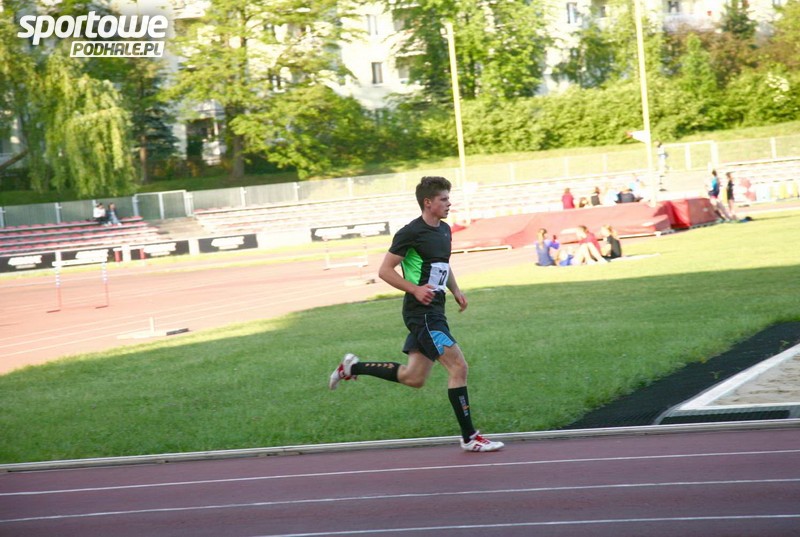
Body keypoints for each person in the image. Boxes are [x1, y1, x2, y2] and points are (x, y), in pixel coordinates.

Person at [329, 176, 504, 453]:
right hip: (421, 313)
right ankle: (470, 437)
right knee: (458, 367)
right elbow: (384, 271)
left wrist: (456, 290)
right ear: (428, 202)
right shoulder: (410, 233)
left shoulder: (444, 230)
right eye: (444, 199)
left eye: (448, 198)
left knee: (414, 378)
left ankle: (352, 367)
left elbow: (442, 264)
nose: (449, 203)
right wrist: (415, 289)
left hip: (436, 309)